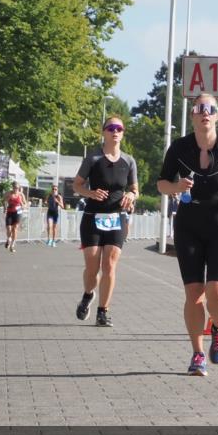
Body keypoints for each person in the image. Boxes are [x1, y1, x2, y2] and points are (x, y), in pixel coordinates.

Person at [157, 93, 218, 376]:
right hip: (189, 224)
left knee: (217, 291)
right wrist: (176, 187)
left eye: (210, 109)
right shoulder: (179, 148)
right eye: (200, 108)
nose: (205, 113)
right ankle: (198, 353)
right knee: (194, 294)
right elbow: (162, 183)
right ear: (192, 115)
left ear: (217, 116)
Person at [72, 117, 139, 327]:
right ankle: (88, 294)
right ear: (104, 132)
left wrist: (131, 195)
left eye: (119, 128)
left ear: (123, 133)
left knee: (109, 266)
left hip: (116, 219)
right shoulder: (93, 158)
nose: (115, 132)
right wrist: (90, 193)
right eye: (111, 128)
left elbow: (135, 189)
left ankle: (103, 311)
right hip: (93, 218)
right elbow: (77, 185)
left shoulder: (129, 161)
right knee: (92, 269)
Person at [4, 183, 28, 252]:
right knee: (9, 228)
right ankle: (9, 239)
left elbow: (25, 204)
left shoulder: (21, 195)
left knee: (15, 229)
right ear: (12, 187)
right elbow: (4, 201)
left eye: (17, 188)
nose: (15, 189)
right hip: (9, 212)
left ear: (19, 188)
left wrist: (23, 206)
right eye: (14, 187)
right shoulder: (9, 193)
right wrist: (5, 207)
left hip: (18, 213)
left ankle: (12, 245)